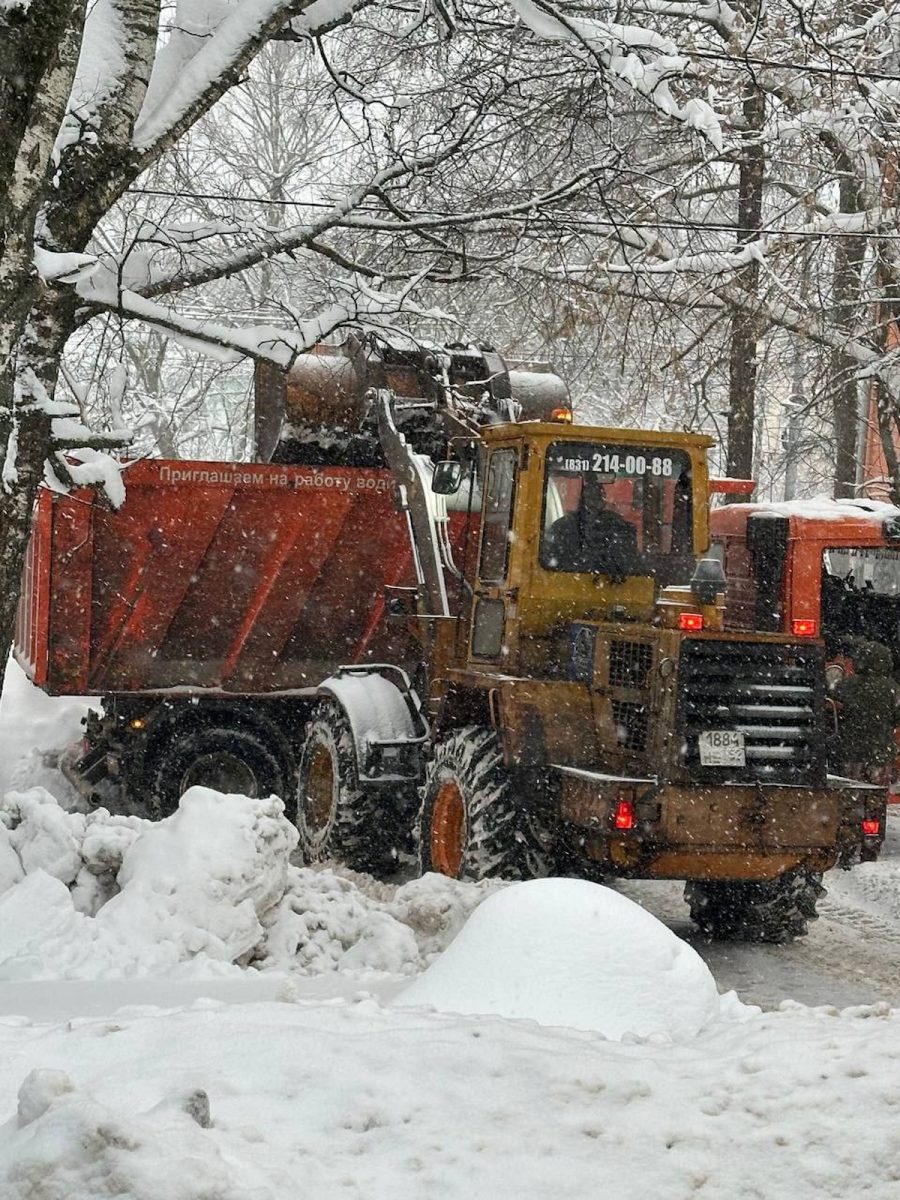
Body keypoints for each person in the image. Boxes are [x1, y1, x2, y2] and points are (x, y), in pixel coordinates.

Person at [544, 475, 639, 583]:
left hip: (568, 585)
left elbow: (628, 563)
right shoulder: (620, 527)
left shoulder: (562, 526)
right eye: (589, 498)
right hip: (569, 585)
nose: (592, 504)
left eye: (595, 498)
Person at [834, 639, 899, 785]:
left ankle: (851, 805)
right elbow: (897, 716)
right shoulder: (892, 688)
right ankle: (874, 806)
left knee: (850, 788)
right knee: (876, 794)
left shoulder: (847, 685)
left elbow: (836, 710)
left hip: (851, 748)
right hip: (881, 749)